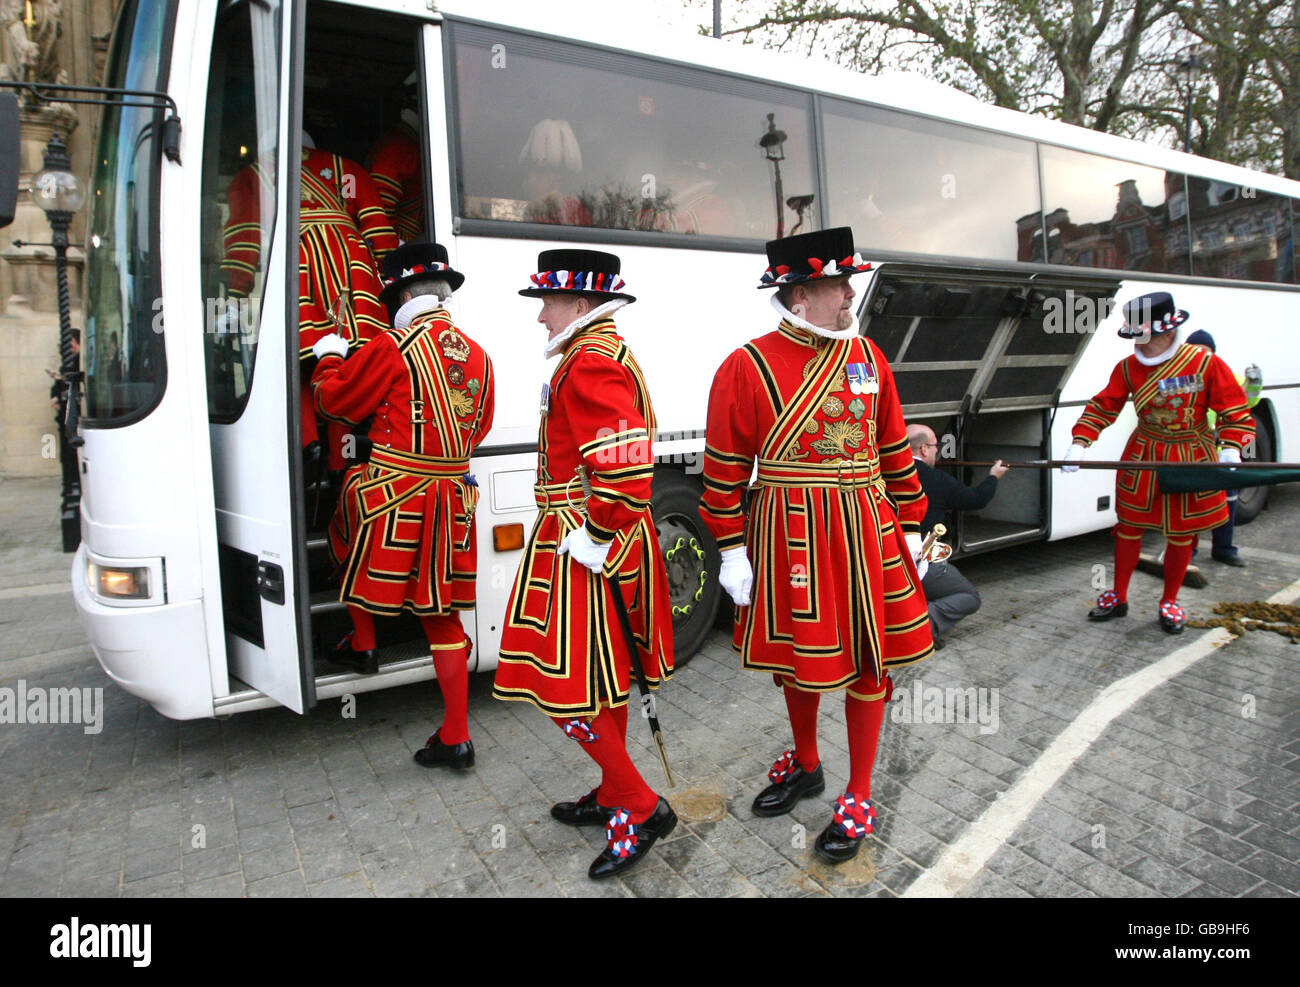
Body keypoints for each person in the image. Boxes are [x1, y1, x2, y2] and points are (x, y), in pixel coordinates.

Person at [699, 226, 934, 865]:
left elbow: (893, 447)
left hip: (864, 527)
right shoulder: (745, 366)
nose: (850, 294)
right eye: (839, 284)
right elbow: (722, 469)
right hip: (787, 530)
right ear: (801, 294)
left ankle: (859, 792)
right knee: (799, 657)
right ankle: (807, 761)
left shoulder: (868, 357)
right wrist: (731, 548)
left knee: (866, 660)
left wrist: (911, 524)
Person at [492, 249, 675, 880]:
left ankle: (640, 803)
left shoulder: (590, 360)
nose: (540, 316)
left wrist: (595, 535)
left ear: (579, 304)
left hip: (586, 538)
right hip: (594, 534)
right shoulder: (598, 350)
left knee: (561, 687)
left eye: (547, 302)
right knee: (602, 678)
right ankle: (614, 788)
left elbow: (623, 467)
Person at [309, 241, 494, 770]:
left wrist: (329, 357)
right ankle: (455, 735)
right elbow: (477, 427)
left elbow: (335, 401)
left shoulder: (391, 345)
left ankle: (363, 640)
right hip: (452, 498)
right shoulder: (479, 353)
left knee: (344, 515)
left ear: (402, 294)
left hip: (394, 497)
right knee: (444, 619)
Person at [1063, 292, 1254, 634]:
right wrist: (1080, 442)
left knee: (1182, 533)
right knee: (1128, 528)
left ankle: (1169, 600)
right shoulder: (1127, 368)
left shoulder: (1203, 362)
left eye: (1144, 336)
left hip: (1190, 456)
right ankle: (1118, 595)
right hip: (1144, 455)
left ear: (1167, 332)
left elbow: (1233, 406)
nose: (1140, 344)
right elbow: (1104, 406)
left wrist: (1231, 445)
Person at [223, 135, 399, 468]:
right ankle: (340, 460)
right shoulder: (343, 166)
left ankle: (307, 446)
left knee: (297, 361)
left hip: (295, 263)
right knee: (344, 364)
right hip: (349, 266)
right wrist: (390, 273)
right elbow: (377, 223)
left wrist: (236, 290)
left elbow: (244, 236)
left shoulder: (252, 174)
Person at [907, 423, 1008, 647]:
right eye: (935, 446)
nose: (937, 451)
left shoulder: (880, 475)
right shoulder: (936, 479)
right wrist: (994, 476)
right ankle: (921, 627)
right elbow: (975, 499)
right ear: (923, 449)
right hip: (921, 560)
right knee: (968, 597)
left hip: (880, 558)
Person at [1185, 329, 1259, 568]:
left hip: (1224, 447)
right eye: (1194, 351)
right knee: (1192, 503)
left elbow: (1246, 403)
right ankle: (1188, 551)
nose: (1200, 356)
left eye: (1204, 352)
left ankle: (1224, 549)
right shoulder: (1180, 377)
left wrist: (1254, 385)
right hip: (1194, 449)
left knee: (1228, 499)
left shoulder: (1226, 374)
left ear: (1213, 353)